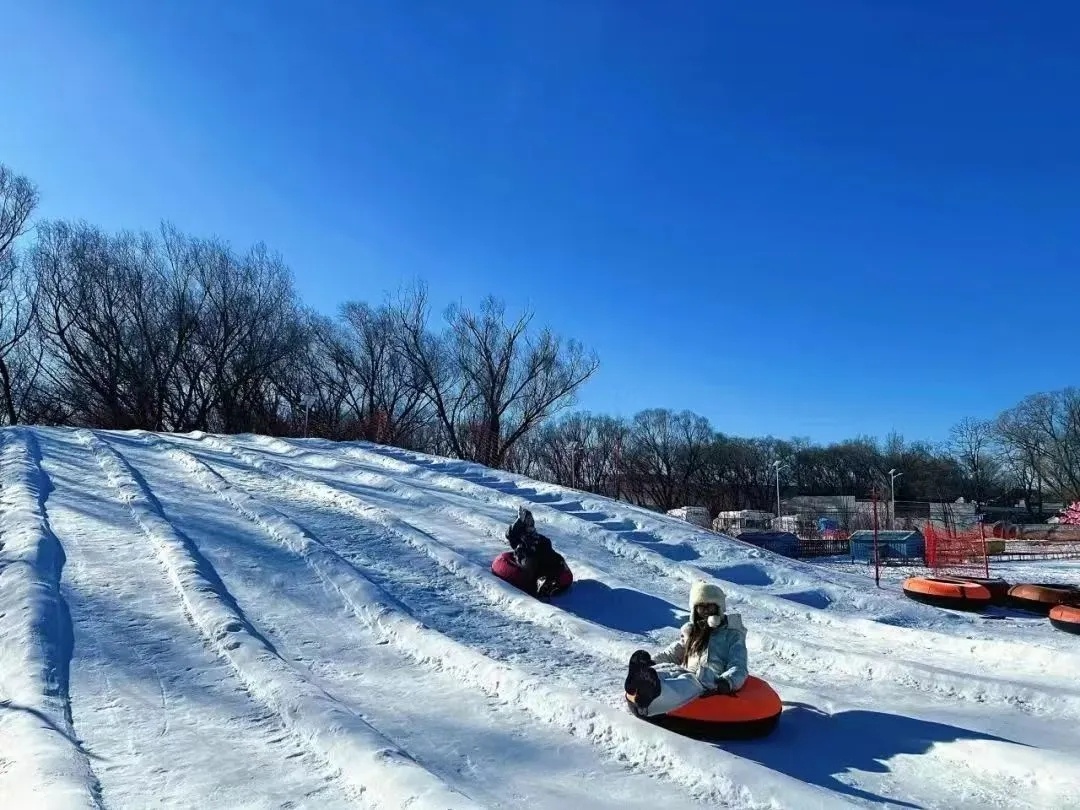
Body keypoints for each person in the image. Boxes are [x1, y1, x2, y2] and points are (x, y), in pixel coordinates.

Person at [624, 581, 748, 717]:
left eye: (710, 607)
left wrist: (726, 681)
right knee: (667, 669)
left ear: (719, 609)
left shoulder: (732, 635)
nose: (706, 612)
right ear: (695, 610)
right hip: (685, 671)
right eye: (701, 608)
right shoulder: (694, 632)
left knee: (686, 685)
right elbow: (673, 653)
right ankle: (639, 680)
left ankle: (652, 695)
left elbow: (738, 665)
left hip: (710, 680)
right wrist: (652, 662)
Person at [504, 506, 572, 597]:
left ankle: (550, 582)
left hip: (542, 559)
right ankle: (537, 584)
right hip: (527, 559)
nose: (530, 524)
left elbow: (547, 548)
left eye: (531, 521)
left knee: (556, 558)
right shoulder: (518, 537)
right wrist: (519, 521)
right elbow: (509, 535)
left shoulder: (538, 537)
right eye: (527, 521)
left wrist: (544, 545)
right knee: (532, 561)